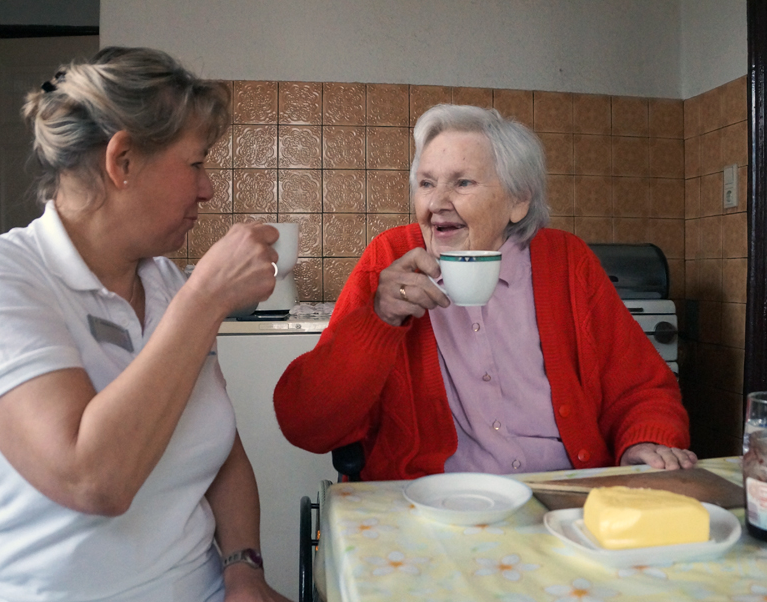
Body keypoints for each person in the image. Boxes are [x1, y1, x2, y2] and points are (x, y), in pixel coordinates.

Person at [0, 47, 329, 602]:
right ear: (123, 160)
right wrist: (205, 299)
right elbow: (94, 480)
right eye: (194, 164)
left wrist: (244, 572)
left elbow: (221, 453)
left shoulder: (164, 283)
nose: (208, 189)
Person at [274, 104, 695, 481]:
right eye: (426, 184)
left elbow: (641, 388)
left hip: (561, 496)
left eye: (462, 183)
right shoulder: (389, 259)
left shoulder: (567, 261)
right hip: (432, 507)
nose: (437, 202)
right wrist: (379, 319)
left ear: (518, 200)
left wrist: (643, 442)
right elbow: (307, 425)